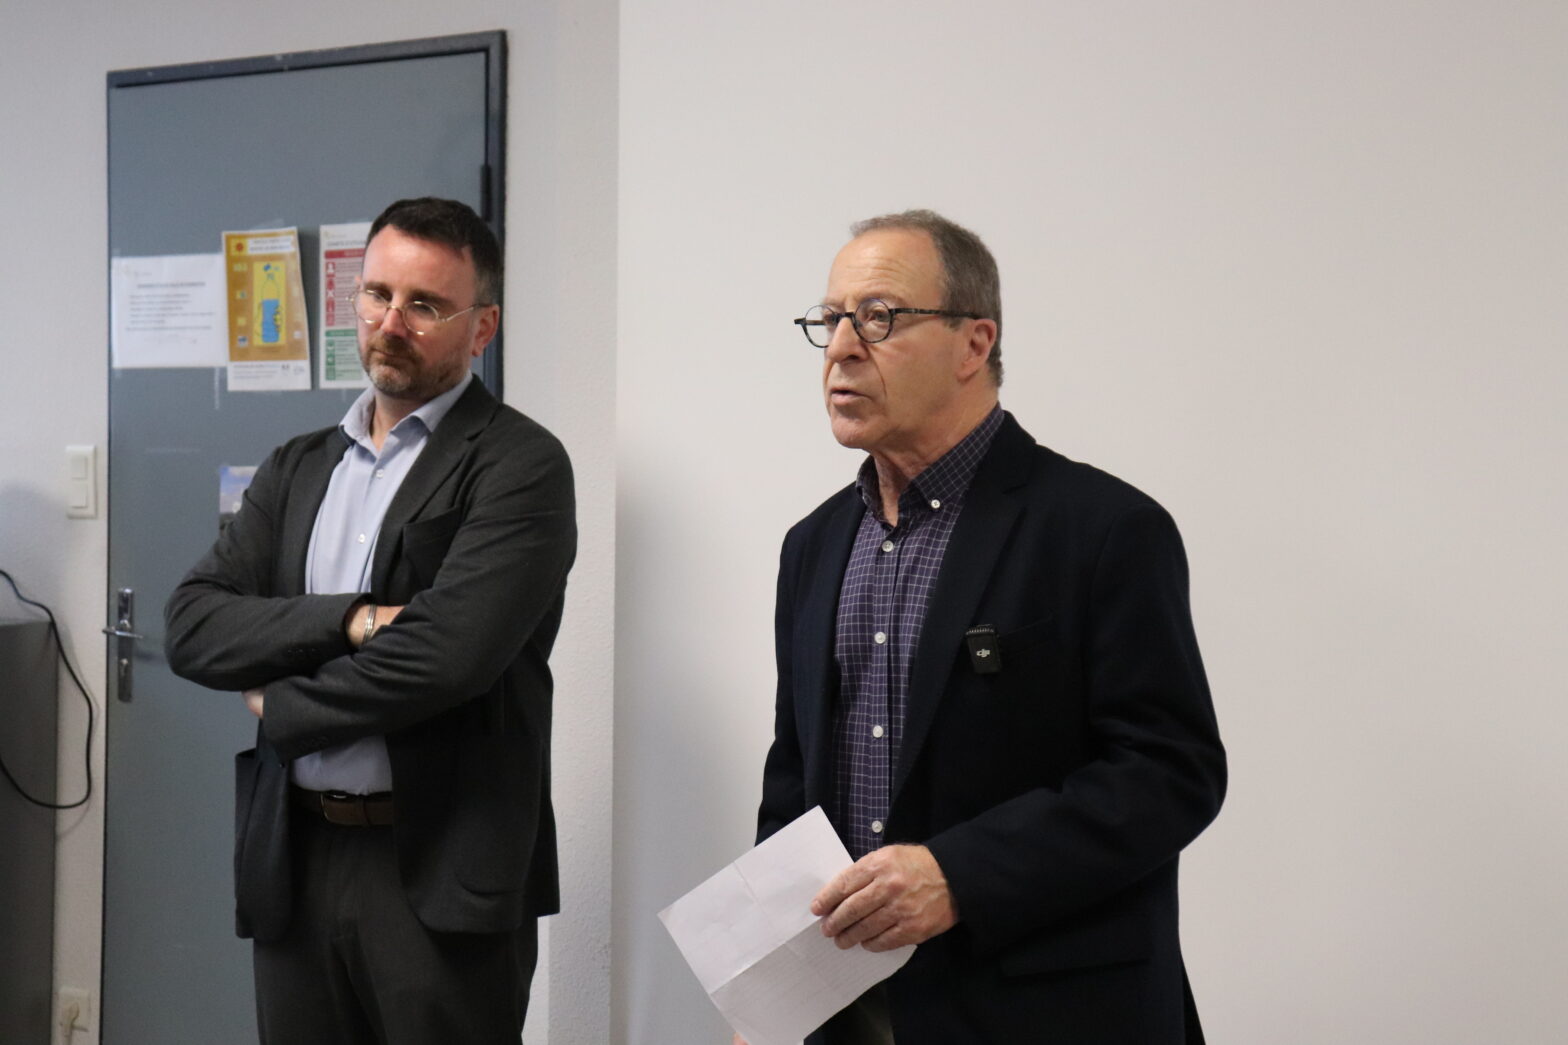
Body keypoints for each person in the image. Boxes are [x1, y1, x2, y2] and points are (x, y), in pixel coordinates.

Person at [748, 210, 1226, 1044]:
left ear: (975, 343)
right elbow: (793, 785)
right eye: (831, 319)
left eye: (879, 317)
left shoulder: (1103, 528)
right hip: (848, 1011)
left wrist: (958, 875)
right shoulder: (813, 546)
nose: (842, 348)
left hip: (1046, 1010)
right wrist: (771, 990)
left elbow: (1169, 772)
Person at [165, 197, 576, 1044]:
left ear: (482, 326)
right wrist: (354, 620)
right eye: (378, 294)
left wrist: (282, 702)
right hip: (297, 860)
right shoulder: (297, 466)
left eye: (425, 305)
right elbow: (194, 624)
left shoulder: (520, 465)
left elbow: (448, 656)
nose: (391, 323)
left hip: (440, 873)